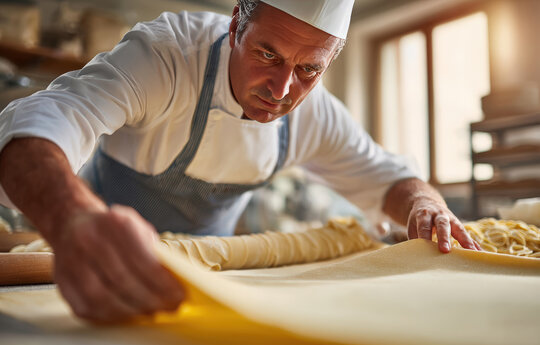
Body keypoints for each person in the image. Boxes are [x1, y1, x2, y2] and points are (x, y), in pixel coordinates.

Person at [0, 0, 481, 322]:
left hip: (203, 281)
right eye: (268, 54)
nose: (282, 90)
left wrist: (426, 205)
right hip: (84, 260)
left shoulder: (314, 114)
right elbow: (43, 121)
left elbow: (391, 179)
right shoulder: (166, 56)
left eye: (309, 68)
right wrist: (72, 219)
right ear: (236, 25)